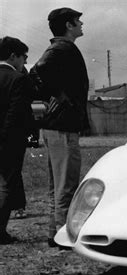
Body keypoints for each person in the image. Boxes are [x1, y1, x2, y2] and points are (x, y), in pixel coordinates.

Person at [29, 7, 89, 247]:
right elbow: (38, 72)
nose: (81, 25)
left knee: (58, 184)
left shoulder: (60, 48)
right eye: (78, 21)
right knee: (66, 183)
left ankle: (55, 231)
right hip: (63, 127)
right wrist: (59, 95)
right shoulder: (62, 48)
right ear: (68, 25)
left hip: (58, 126)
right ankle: (64, 234)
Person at [0, 36, 34, 244]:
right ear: (13, 56)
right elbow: (15, 114)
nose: (24, 62)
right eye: (24, 57)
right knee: (6, 185)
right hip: (8, 141)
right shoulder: (18, 79)